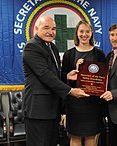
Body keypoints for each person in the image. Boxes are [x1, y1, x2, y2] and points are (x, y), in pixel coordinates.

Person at [22, 16, 89, 146]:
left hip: (52, 109)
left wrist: (66, 76)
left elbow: (54, 74)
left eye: (53, 29)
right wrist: (70, 90)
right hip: (38, 110)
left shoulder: (52, 47)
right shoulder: (32, 47)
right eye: (46, 27)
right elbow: (45, 75)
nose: (51, 32)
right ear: (36, 29)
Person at [61, 20, 106, 146]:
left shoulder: (99, 54)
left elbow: (103, 80)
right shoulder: (69, 54)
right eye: (81, 31)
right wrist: (74, 73)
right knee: (75, 137)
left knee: (91, 137)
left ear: (91, 33)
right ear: (77, 33)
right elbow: (62, 78)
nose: (84, 34)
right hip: (75, 103)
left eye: (87, 31)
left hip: (93, 103)